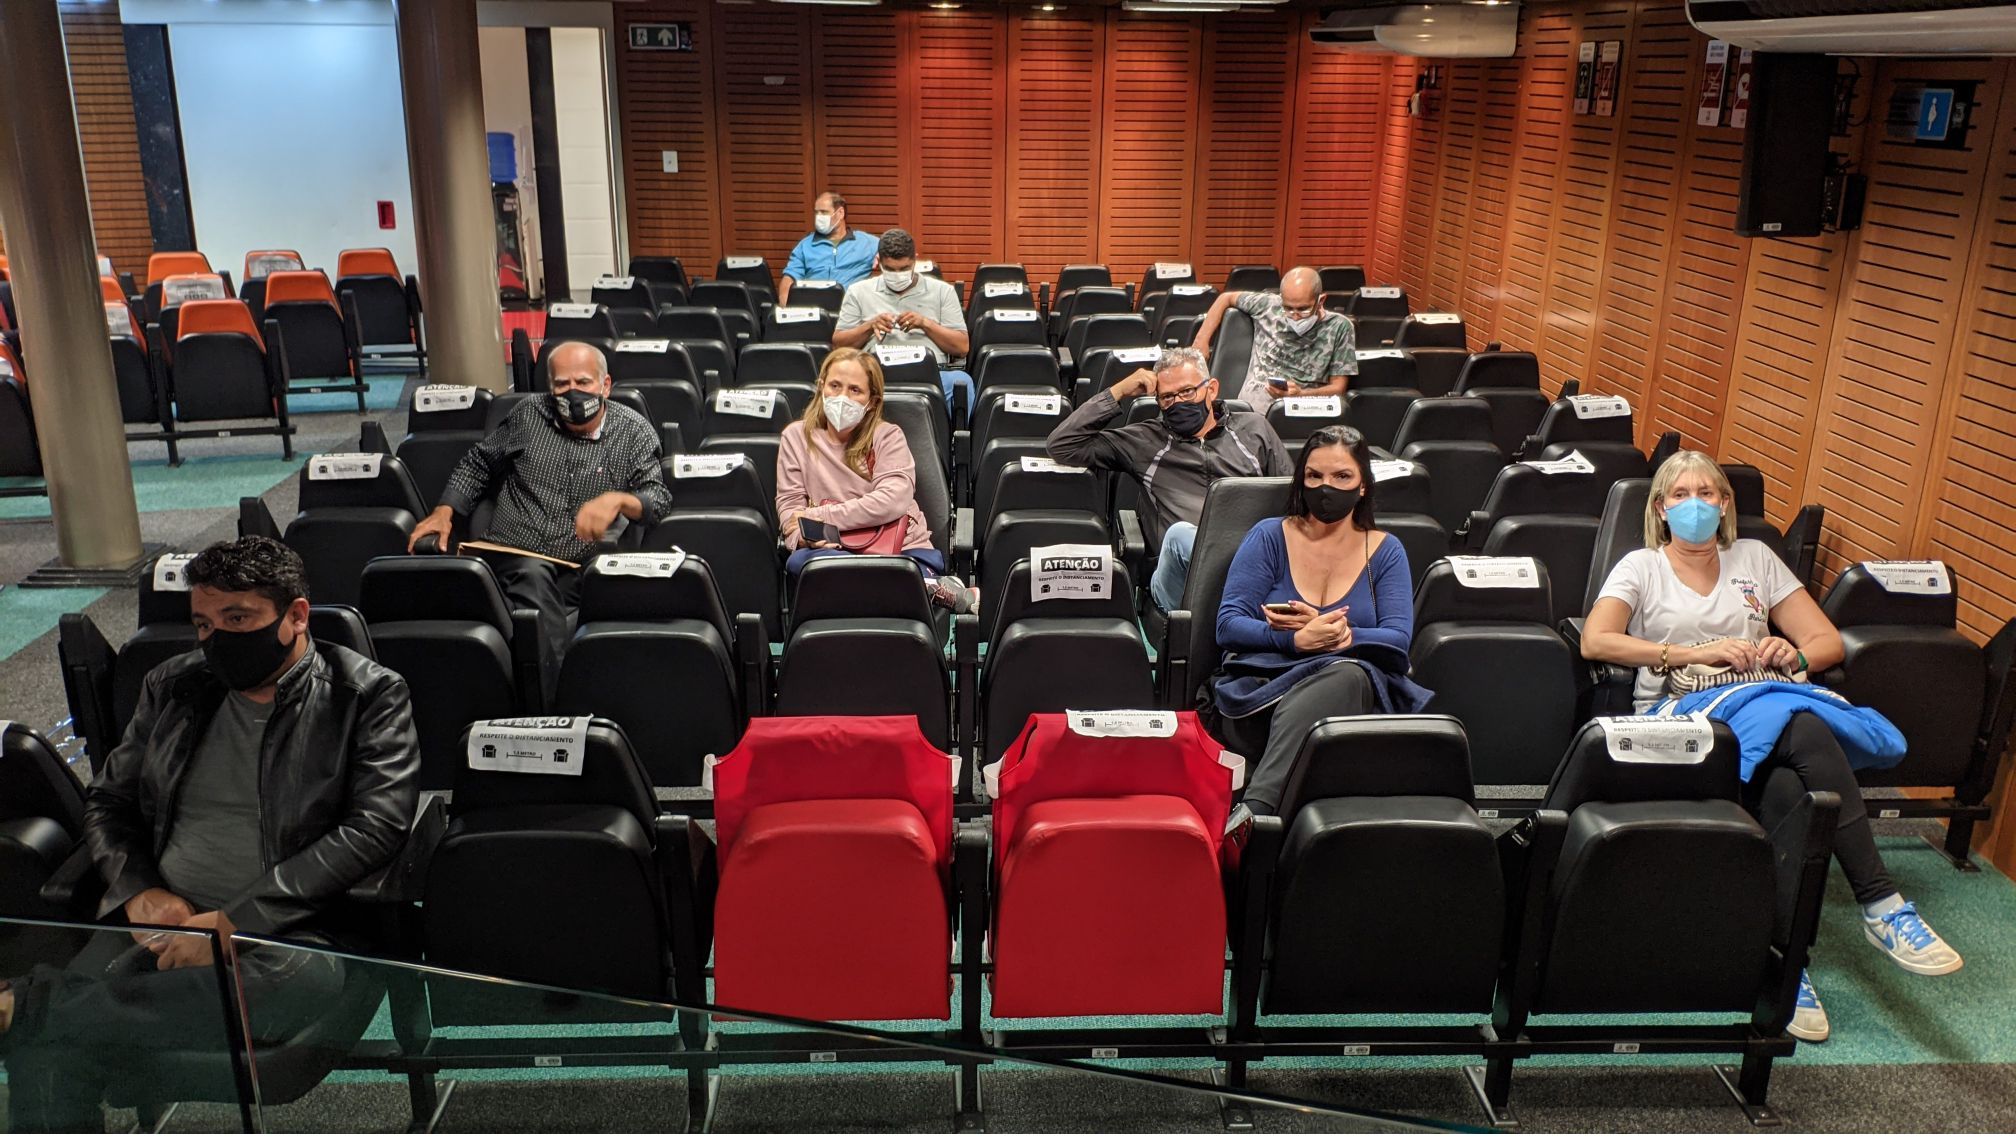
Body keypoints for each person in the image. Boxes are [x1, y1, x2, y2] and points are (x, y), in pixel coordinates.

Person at [0, 537, 420, 1133]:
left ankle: (29, 1006)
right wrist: (140, 890)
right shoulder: (173, 685)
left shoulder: (367, 695)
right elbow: (110, 802)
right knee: (51, 1045)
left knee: (292, 980)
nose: (215, 638)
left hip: (290, 931)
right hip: (161, 921)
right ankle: (48, 1014)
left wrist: (233, 922)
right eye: (203, 623)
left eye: (237, 619)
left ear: (296, 616)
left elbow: (376, 826)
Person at [1582, 450, 1962, 1044]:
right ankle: (1880, 902)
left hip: (1760, 706)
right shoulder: (1642, 566)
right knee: (1804, 727)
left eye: (1707, 493)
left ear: (1725, 504)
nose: (1694, 504)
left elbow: (1825, 642)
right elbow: (1595, 640)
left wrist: (1794, 654)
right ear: (1659, 509)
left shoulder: (1756, 558)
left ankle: (1782, 963)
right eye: (1680, 494)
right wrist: (1691, 653)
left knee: (1791, 788)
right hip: (1677, 722)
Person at [408, 341, 672, 684]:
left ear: (605, 385)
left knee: (560, 584)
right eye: (562, 384)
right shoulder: (528, 415)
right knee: (526, 575)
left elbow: (658, 498)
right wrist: (444, 510)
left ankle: (550, 694)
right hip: (510, 557)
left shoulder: (633, 430)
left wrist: (620, 500)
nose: (573, 392)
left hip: (578, 568)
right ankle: (555, 695)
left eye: (583, 382)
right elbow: (478, 463)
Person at [1206, 426, 1427, 814]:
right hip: (1265, 693)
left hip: (1347, 694)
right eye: (1314, 476)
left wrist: (1338, 636)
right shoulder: (1269, 536)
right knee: (1335, 688)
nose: (1326, 488)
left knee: (1347, 675)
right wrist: (1294, 641)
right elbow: (1228, 625)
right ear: (1301, 480)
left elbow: (1397, 639)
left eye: (1342, 476)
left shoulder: (1387, 550)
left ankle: (1256, 812)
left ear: (1363, 485)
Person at [1048, 347, 1291, 612]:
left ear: (1211, 389)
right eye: (1167, 397)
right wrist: (1119, 391)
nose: (1178, 402)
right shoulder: (1145, 441)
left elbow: (1292, 497)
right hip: (1181, 584)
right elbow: (1062, 444)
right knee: (1179, 536)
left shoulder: (1255, 429)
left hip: (1254, 560)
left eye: (1187, 392)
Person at [777, 347, 975, 612]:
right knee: (805, 564)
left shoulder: (888, 436)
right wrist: (803, 538)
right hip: (831, 550)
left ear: (871, 401)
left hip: (900, 548)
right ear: (821, 387)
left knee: (865, 575)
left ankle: (906, 583)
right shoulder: (795, 437)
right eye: (835, 386)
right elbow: (789, 510)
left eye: (855, 390)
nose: (843, 397)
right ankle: (924, 587)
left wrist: (819, 516)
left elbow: (891, 502)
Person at [833, 229, 971, 411]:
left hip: (931, 373)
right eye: (890, 269)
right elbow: (838, 346)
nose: (897, 274)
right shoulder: (858, 291)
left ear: (915, 260)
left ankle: (955, 431)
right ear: (879, 261)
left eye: (904, 269)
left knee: (961, 381)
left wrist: (925, 324)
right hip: (875, 374)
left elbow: (962, 347)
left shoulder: (942, 291)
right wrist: (869, 326)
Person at [1190, 265, 1356, 407]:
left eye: (1303, 309)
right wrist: (1201, 341)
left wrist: (1301, 395)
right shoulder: (1268, 305)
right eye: (1288, 308)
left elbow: (1338, 388)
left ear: (1321, 301)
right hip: (1254, 406)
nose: (1295, 316)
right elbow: (1226, 298)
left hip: (1302, 408)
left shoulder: (1340, 326)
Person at [779, 190, 878, 306]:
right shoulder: (805, 245)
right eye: (816, 213)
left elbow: (894, 250)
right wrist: (787, 309)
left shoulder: (866, 242)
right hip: (814, 308)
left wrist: (882, 254)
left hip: (852, 310)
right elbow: (789, 278)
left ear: (840, 213)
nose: (819, 217)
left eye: (824, 212)